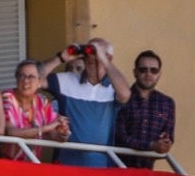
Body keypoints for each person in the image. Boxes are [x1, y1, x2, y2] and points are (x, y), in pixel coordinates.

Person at [42, 38, 132, 167]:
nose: (92, 56)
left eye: (97, 51)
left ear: (109, 58)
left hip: (101, 165)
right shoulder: (67, 80)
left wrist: (103, 59)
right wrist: (61, 58)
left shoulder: (114, 87)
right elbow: (34, 79)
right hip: (67, 162)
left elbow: (125, 95)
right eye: (90, 51)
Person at [114, 51, 176, 168]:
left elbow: (169, 136)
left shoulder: (167, 103)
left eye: (154, 70)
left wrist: (165, 143)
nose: (148, 74)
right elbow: (119, 137)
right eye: (143, 70)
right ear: (135, 72)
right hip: (118, 168)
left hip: (148, 173)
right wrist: (151, 146)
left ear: (160, 74)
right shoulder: (121, 97)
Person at [2, 59, 69, 160]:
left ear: (40, 82)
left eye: (31, 77)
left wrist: (63, 133)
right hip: (5, 165)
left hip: (32, 165)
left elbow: (55, 134)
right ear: (16, 79)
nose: (26, 80)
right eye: (22, 76)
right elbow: (11, 132)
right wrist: (44, 129)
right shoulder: (7, 97)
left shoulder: (42, 101)